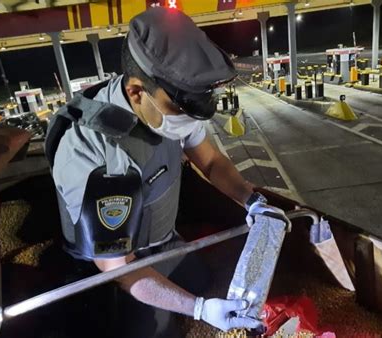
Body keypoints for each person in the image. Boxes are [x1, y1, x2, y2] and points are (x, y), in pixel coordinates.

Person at [45, 7, 286, 337]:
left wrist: (251, 199)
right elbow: (117, 267)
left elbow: (212, 162)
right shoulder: (88, 149)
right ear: (135, 92)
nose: (191, 120)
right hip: (107, 266)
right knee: (155, 330)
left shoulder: (164, 107)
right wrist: (198, 309)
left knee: (210, 282)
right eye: (181, 107)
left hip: (162, 242)